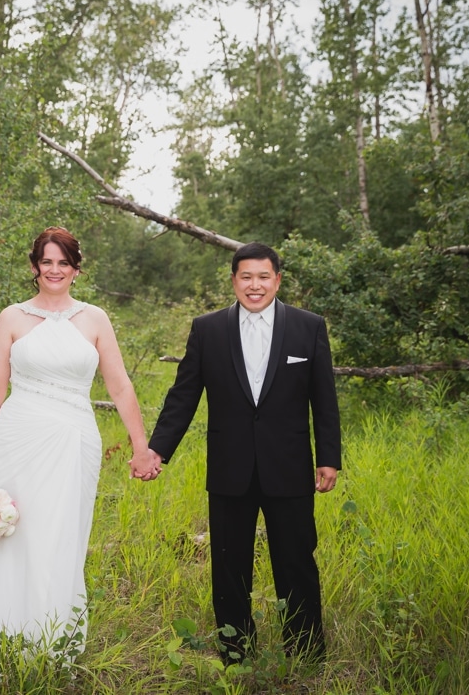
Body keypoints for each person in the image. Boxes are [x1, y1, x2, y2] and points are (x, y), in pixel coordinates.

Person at [0, 227, 157, 679]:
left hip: (74, 438)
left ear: (76, 270)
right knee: (15, 538)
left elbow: (120, 386)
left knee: (62, 536)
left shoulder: (95, 319)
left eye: (64, 263)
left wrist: (141, 447)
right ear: (34, 267)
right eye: (47, 262)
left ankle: (50, 644)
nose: (55, 270)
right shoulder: (12, 317)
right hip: (18, 436)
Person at [143, 241, 341, 663]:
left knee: (296, 561)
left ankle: (305, 651)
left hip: (289, 467)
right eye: (246, 277)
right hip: (230, 468)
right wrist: (156, 450)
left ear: (278, 280)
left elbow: (324, 399)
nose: (255, 285)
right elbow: (183, 397)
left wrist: (328, 456)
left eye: (263, 277)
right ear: (234, 280)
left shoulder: (308, 327)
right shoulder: (207, 329)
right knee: (229, 565)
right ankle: (236, 651)